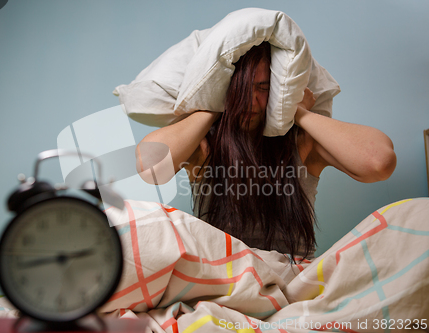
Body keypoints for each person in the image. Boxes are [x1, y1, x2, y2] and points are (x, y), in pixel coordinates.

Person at [135, 42, 396, 261]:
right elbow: (148, 166)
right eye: (239, 89)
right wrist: (214, 105)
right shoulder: (205, 145)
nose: (250, 101)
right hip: (225, 279)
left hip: (293, 279)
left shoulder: (303, 143)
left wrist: (298, 111)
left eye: (263, 88)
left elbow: (379, 162)